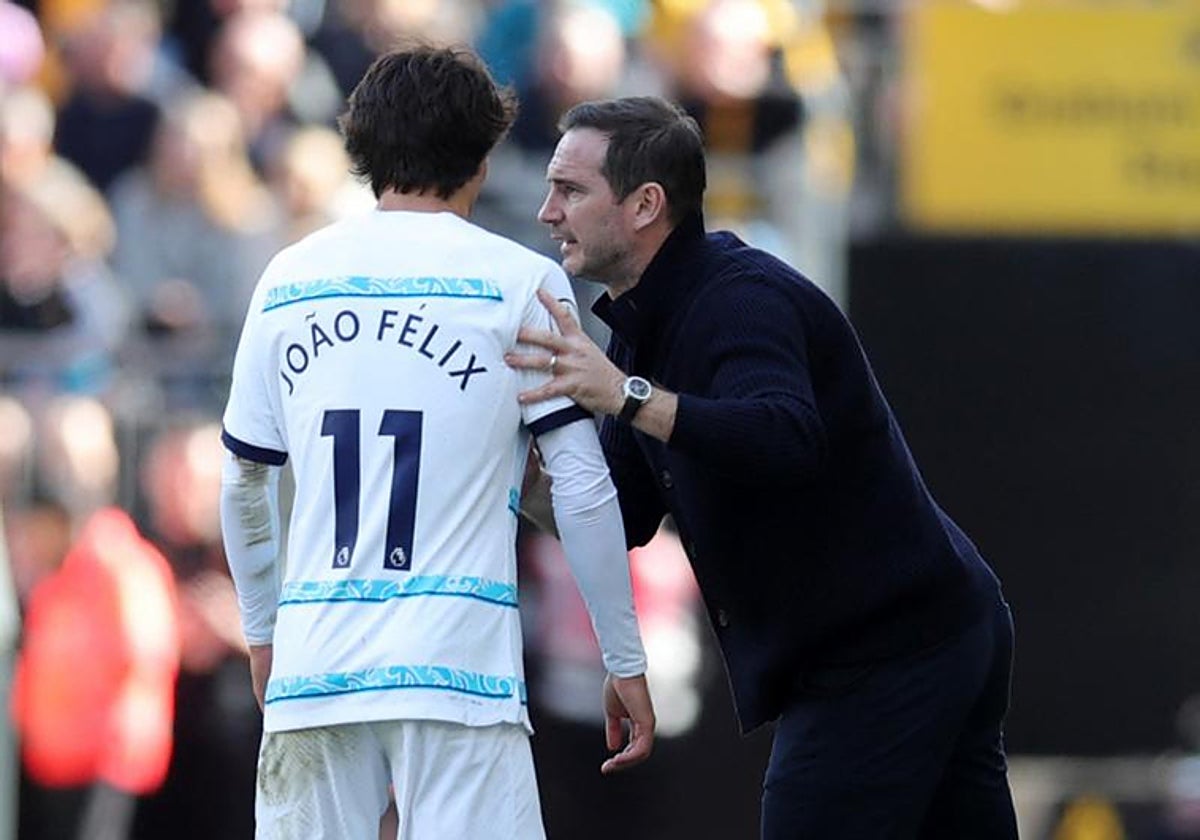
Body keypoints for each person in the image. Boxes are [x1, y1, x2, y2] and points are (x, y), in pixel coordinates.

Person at [506, 95, 1017, 839]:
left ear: (647, 204)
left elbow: (785, 437)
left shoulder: (742, 298)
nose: (548, 211)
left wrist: (625, 395)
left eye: (572, 190)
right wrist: (505, 471)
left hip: (889, 648)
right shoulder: (642, 326)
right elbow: (622, 517)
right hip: (926, 632)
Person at [218, 45, 655, 839]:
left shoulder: (288, 277)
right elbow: (584, 487)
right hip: (459, 676)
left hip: (318, 663)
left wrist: (263, 632)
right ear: (481, 159)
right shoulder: (521, 281)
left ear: (363, 150)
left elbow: (245, 480)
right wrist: (623, 655)